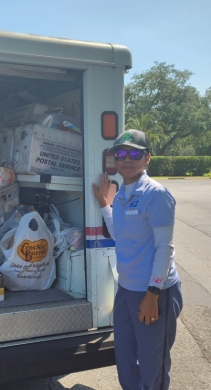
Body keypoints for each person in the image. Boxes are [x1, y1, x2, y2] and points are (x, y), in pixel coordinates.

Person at [92, 129, 183, 390]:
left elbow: (164, 248)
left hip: (154, 292)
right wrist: (104, 205)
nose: (127, 158)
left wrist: (152, 294)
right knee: (125, 358)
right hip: (127, 289)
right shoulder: (121, 195)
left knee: (153, 364)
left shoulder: (156, 194)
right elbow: (121, 236)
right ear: (114, 160)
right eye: (121, 153)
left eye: (135, 153)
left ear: (147, 158)